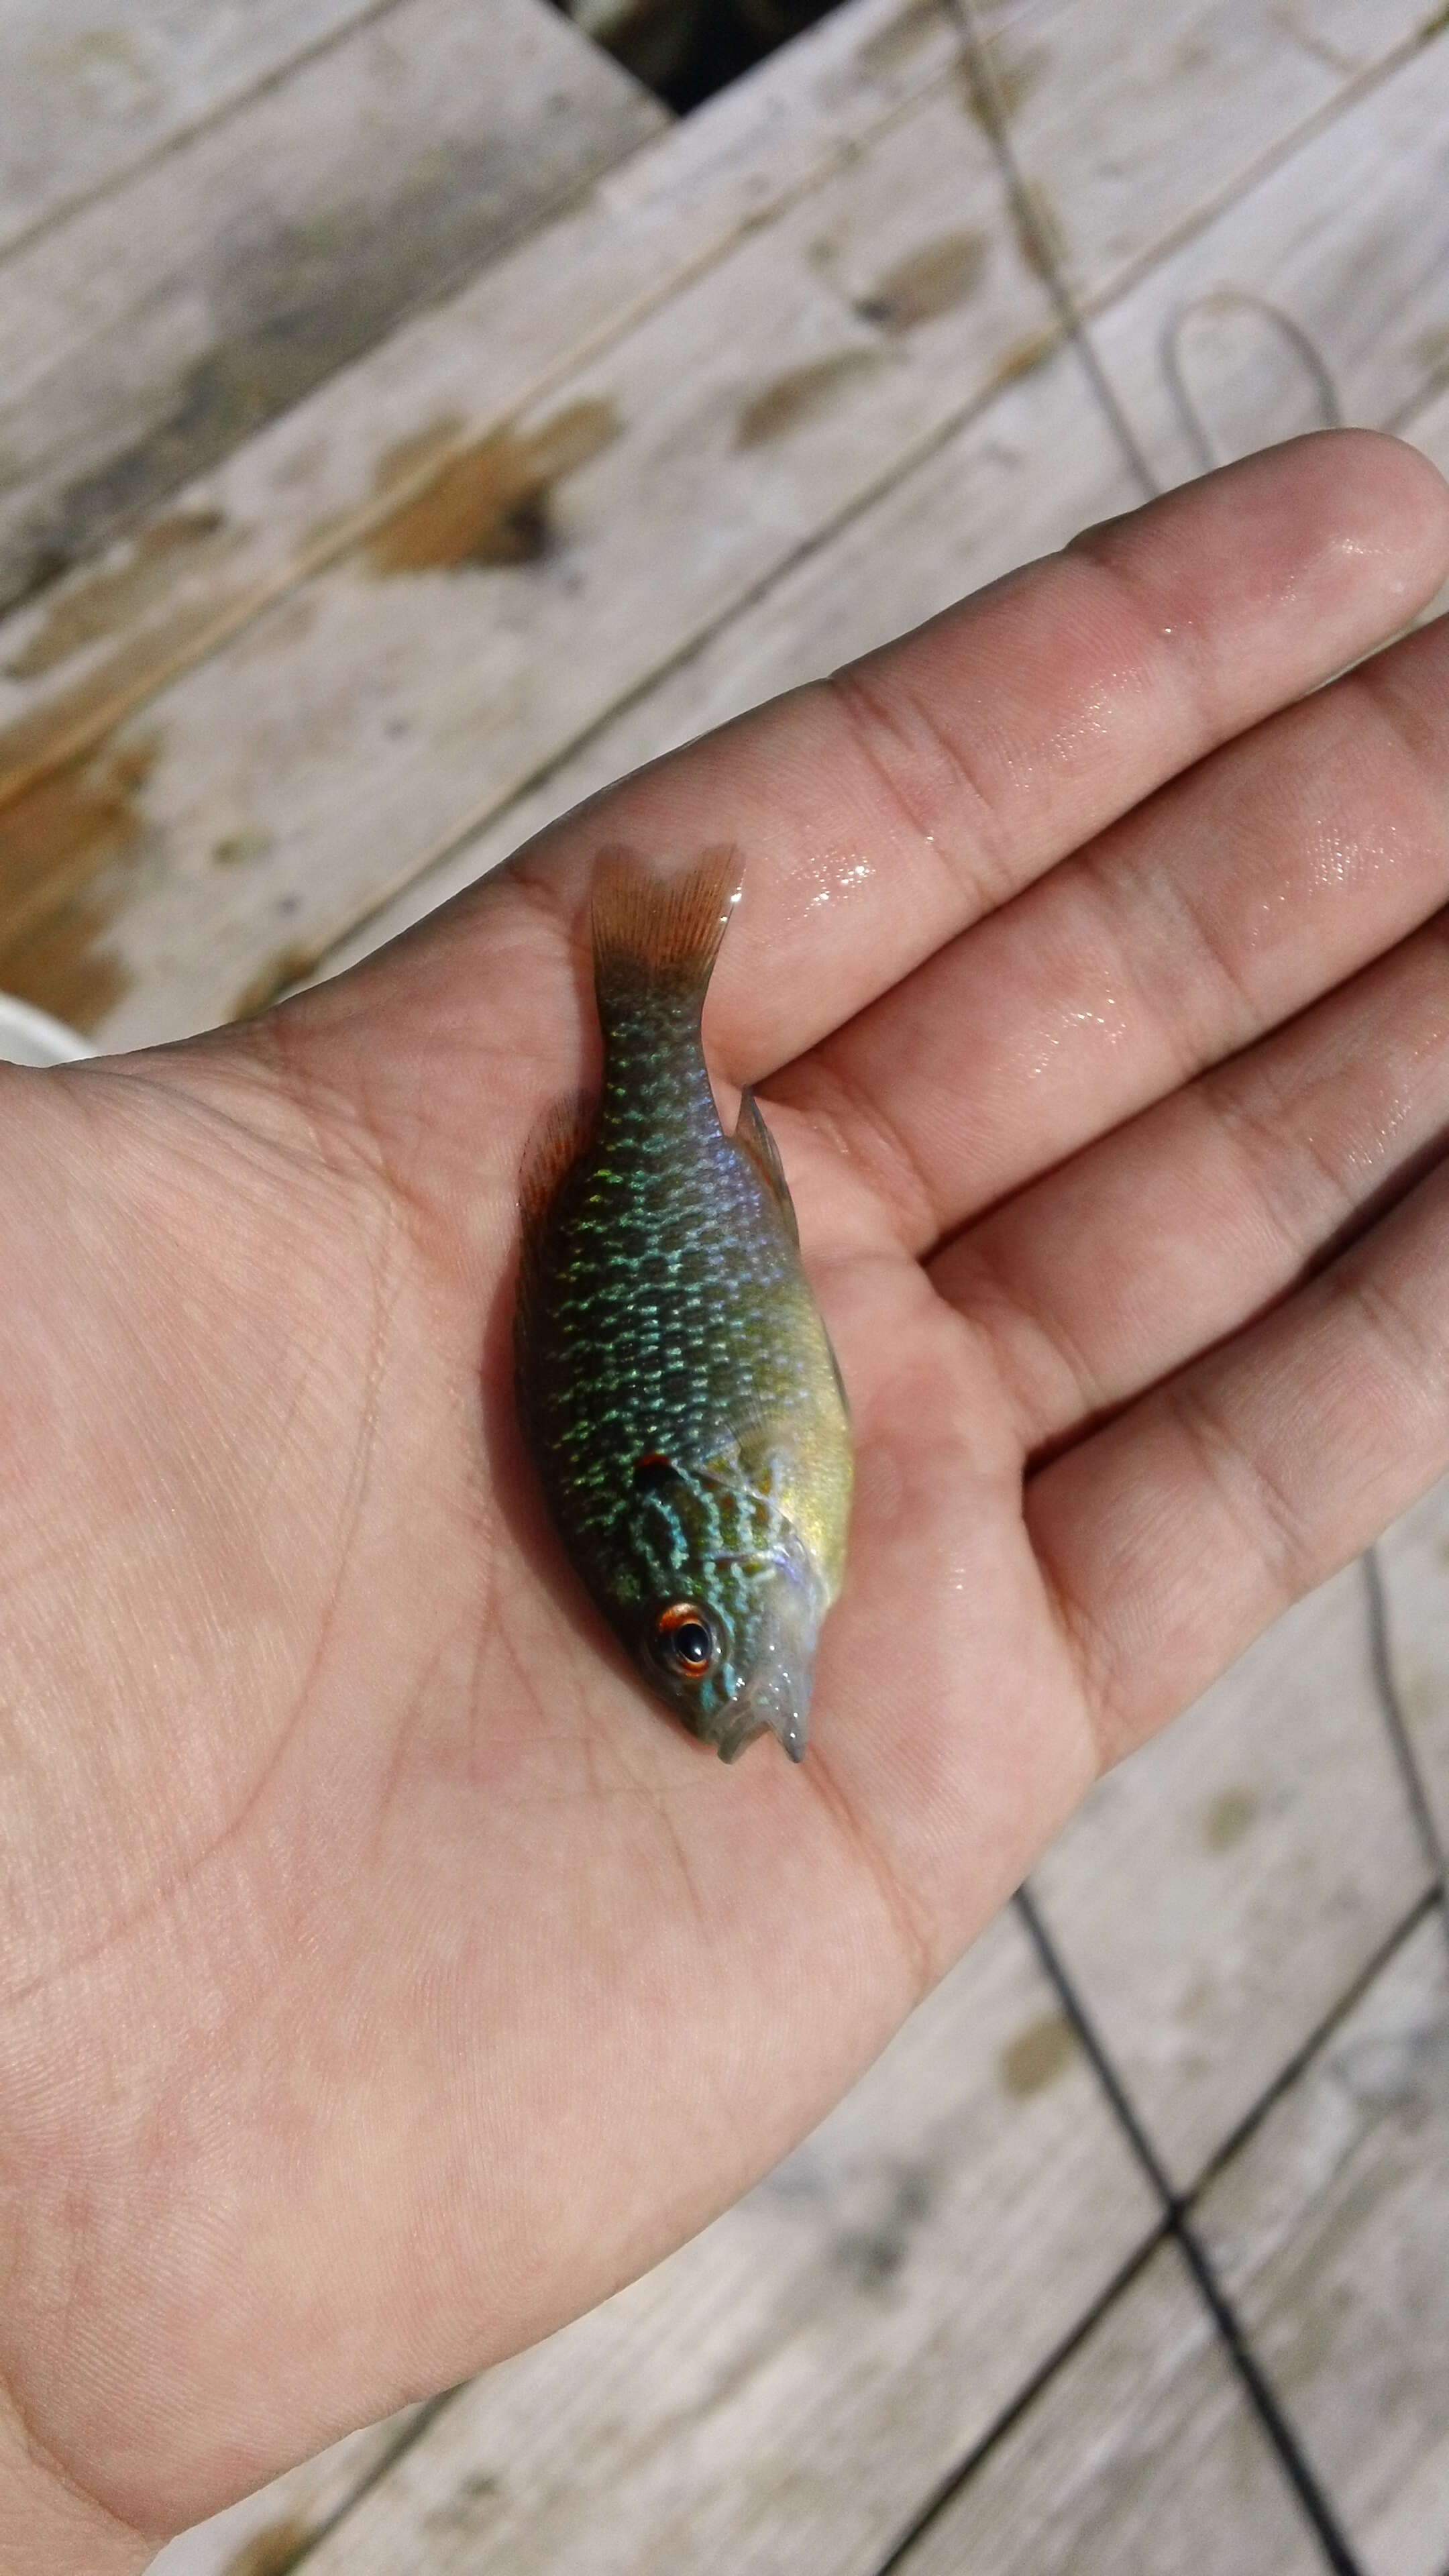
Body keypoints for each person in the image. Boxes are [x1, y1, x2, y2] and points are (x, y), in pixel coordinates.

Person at [3, 432, 1448, 2573]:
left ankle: (648, 1006)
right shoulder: (769, 1533)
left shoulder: (745, 1514)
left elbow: (718, 1360)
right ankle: (649, 1007)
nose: (725, 1681)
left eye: (689, 1645)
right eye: (687, 1649)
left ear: (707, 1559)